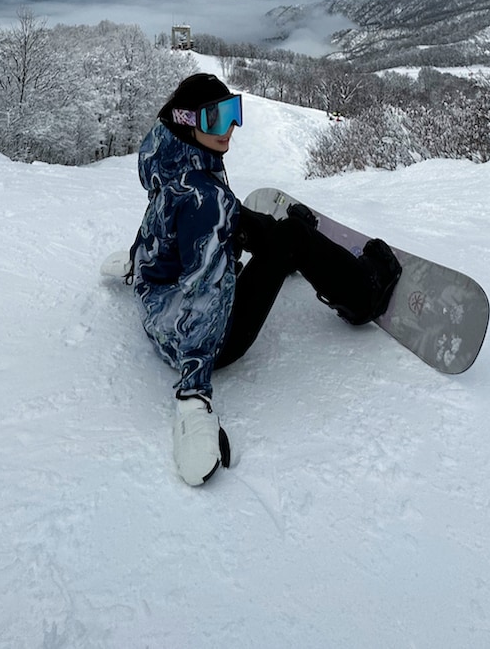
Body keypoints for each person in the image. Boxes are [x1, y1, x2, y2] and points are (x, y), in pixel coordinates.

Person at [129, 72, 402, 486]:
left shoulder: (171, 160)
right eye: (214, 119)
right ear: (187, 121)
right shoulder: (206, 200)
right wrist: (194, 394)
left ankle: (286, 240)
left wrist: (137, 266)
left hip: (161, 314)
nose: (229, 129)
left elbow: (164, 227)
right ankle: (364, 293)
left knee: (236, 215)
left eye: (232, 114)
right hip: (205, 337)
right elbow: (205, 292)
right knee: (283, 234)